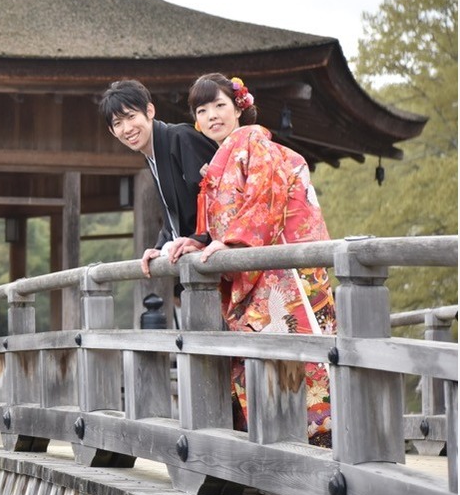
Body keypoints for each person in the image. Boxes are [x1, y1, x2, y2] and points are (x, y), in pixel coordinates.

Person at [167, 73, 335, 446]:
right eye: (202, 109)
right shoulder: (220, 158)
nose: (212, 115)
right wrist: (202, 242)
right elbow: (218, 219)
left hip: (281, 266)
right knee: (263, 357)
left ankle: (310, 443)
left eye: (220, 105)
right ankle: (280, 446)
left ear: (239, 108)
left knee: (294, 354)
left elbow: (266, 192)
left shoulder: (251, 138)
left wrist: (236, 243)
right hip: (260, 266)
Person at [98, 80, 217, 277]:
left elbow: (218, 196)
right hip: (199, 260)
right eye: (118, 123)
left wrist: (200, 237)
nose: (127, 129)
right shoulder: (153, 155)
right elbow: (173, 213)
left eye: (131, 116)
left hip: (222, 253)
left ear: (150, 111)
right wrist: (160, 246)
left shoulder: (182, 137)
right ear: (112, 131)